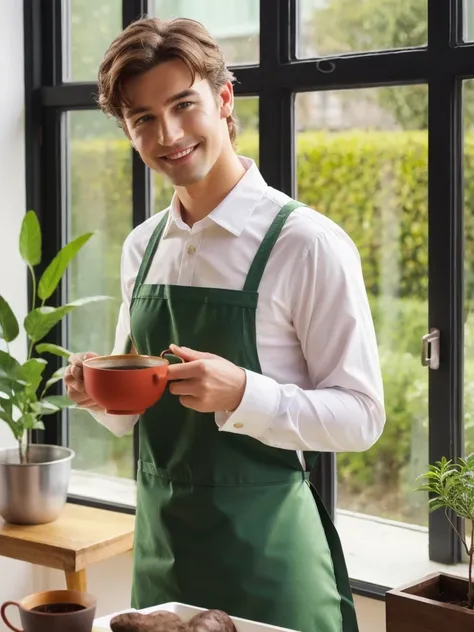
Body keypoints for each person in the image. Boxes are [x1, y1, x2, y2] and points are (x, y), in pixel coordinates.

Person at [64, 16, 385, 632]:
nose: (170, 133)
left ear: (224, 99)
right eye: (144, 119)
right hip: (163, 553)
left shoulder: (305, 244)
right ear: (129, 131)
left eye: (184, 105)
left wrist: (244, 394)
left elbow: (362, 417)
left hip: (268, 562)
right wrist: (95, 394)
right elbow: (135, 409)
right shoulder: (143, 246)